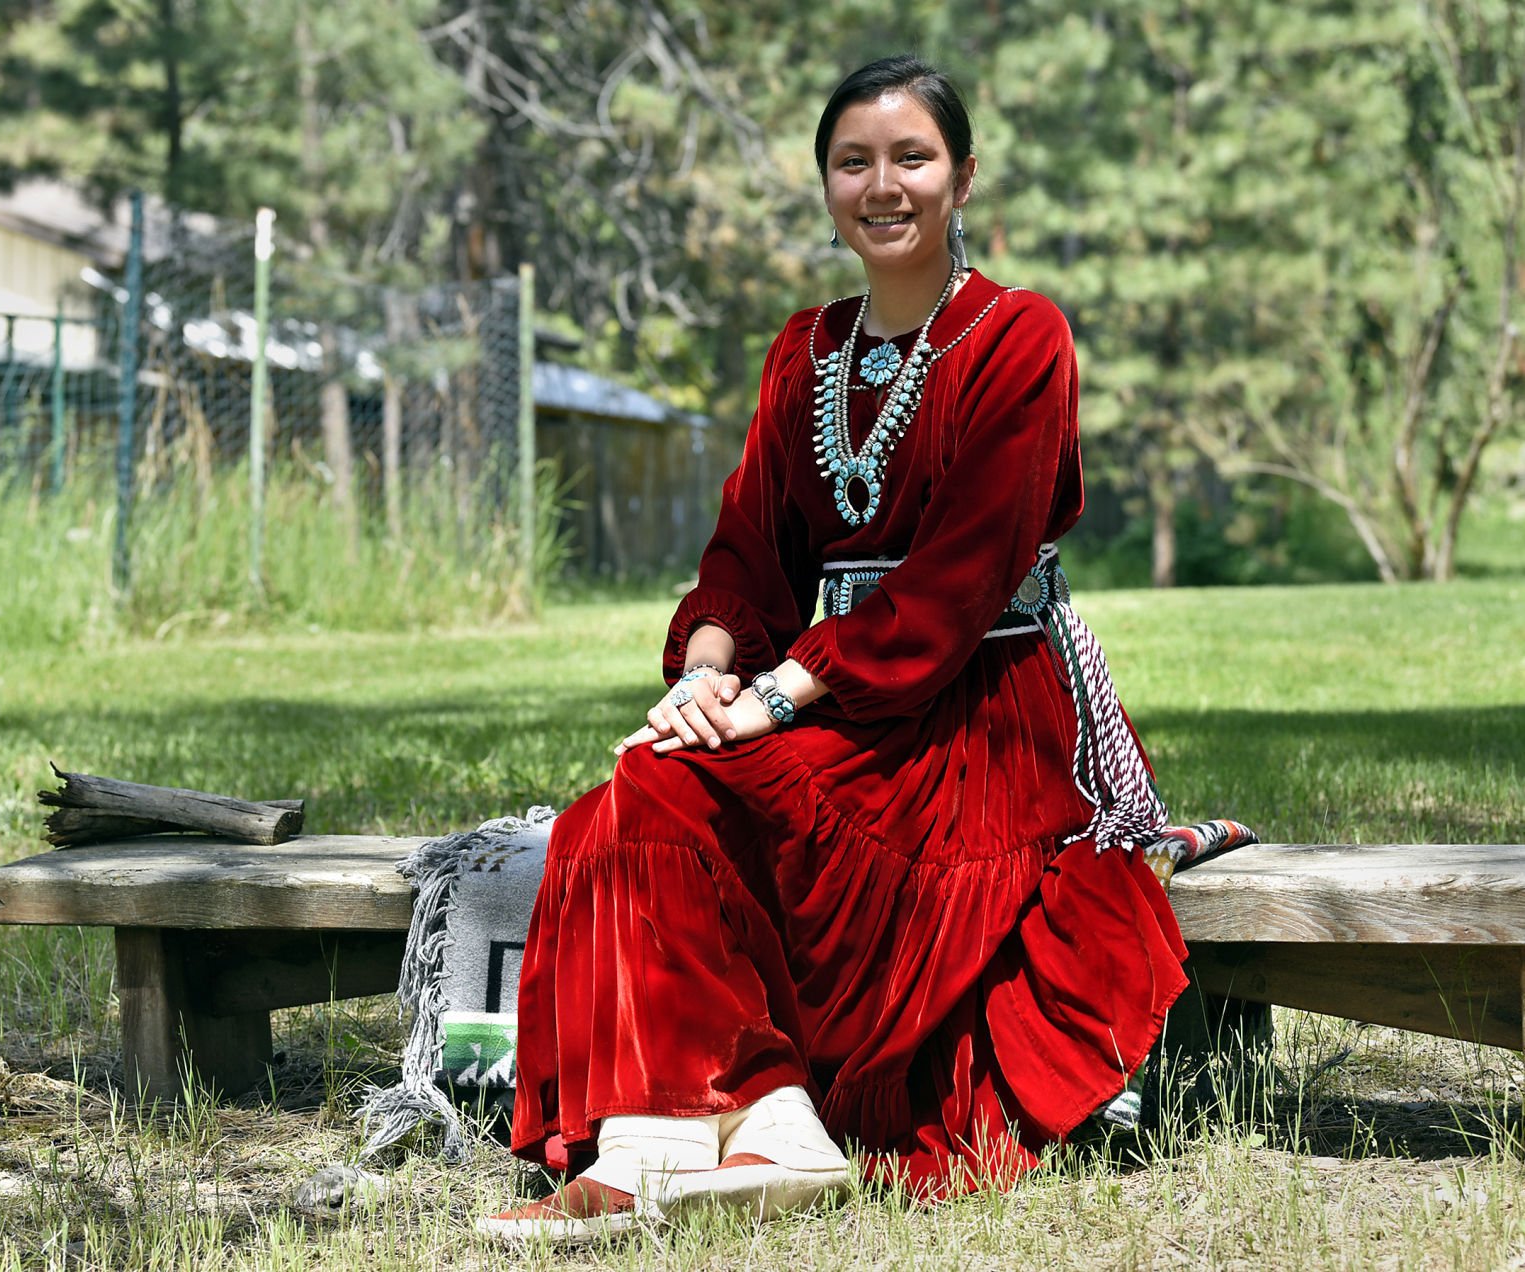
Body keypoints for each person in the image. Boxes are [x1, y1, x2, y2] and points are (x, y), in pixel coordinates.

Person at [476, 54, 1188, 1245]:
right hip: (833, 695)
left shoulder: (1020, 338)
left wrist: (773, 698)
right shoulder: (802, 350)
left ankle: (725, 1122)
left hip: (977, 705)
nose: (883, 184)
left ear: (964, 176)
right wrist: (707, 671)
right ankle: (716, 1132)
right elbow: (750, 555)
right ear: (825, 185)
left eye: (912, 157)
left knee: (659, 790)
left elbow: (957, 583)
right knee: (635, 796)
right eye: (853, 161)